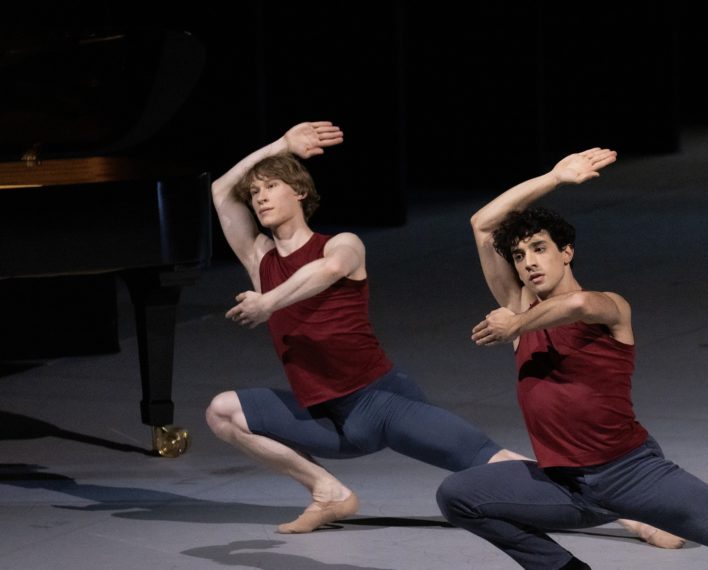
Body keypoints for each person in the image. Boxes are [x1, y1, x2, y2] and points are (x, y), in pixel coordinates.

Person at [203, 123, 681, 546]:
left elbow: (327, 272)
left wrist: (268, 301)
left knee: (493, 461)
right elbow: (221, 190)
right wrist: (282, 144)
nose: (259, 197)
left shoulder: (342, 244)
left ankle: (634, 517)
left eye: (271, 186)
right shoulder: (260, 259)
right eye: (256, 192)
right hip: (324, 419)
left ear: (300, 192)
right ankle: (327, 490)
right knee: (222, 411)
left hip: (381, 404)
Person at [436, 147, 708, 569]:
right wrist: (554, 178)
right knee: (458, 495)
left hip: (631, 474)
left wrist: (516, 325)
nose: (528, 263)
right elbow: (482, 224)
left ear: (566, 252)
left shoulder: (608, 306)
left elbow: (578, 304)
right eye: (519, 256)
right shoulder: (520, 308)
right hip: (562, 483)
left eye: (539, 248)